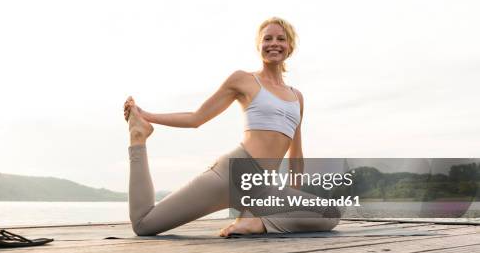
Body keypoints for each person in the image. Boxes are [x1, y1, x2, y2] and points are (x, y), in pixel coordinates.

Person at [123, 17, 340, 236]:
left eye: (281, 39)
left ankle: (255, 224)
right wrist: (146, 115)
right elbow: (196, 118)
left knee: (330, 213)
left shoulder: (297, 97)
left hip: (263, 188)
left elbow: (296, 155)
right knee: (145, 225)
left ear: (290, 47)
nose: (274, 43)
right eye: (267, 39)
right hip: (232, 173)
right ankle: (138, 137)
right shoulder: (243, 80)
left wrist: (291, 204)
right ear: (259, 46)